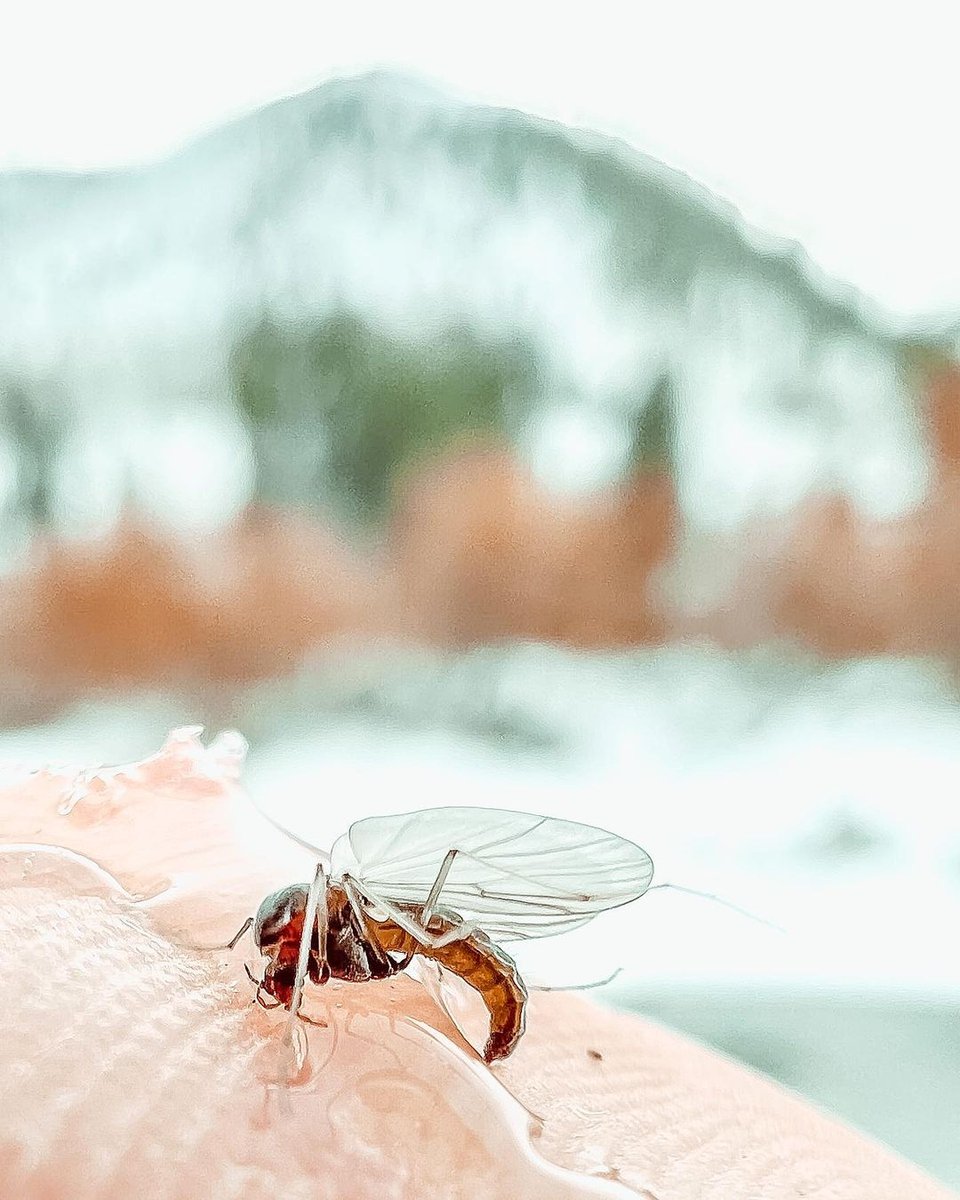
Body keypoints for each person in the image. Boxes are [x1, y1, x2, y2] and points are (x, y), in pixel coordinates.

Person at [0, 728, 952, 1199]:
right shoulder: (312, 930)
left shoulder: (340, 913)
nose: (279, 972)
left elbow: (364, 923)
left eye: (282, 962)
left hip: (435, 928)